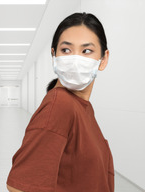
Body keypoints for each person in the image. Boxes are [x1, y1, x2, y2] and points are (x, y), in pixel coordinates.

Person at [6, 13, 114, 192]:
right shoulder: (60, 105)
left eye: (86, 51)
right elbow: (20, 186)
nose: (75, 60)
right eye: (66, 50)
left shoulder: (82, 107)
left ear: (104, 59)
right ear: (53, 55)